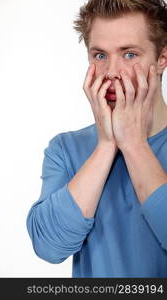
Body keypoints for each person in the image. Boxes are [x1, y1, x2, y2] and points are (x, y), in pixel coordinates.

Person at [26, 0, 167, 277]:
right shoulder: (65, 149)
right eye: (100, 56)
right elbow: (49, 247)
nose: (112, 72)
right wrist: (106, 144)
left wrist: (134, 144)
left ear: (162, 57)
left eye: (129, 54)